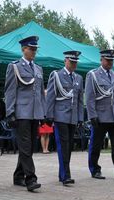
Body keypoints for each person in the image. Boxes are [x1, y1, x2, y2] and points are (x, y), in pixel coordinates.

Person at [4, 36, 45, 192]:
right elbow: (10, 91)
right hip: (21, 113)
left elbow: (41, 93)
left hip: (35, 113)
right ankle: (31, 179)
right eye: (31, 49)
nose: (33, 52)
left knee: (29, 147)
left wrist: (43, 113)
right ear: (23, 49)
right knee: (26, 146)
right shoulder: (14, 67)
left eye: (35, 49)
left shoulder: (38, 68)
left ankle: (18, 175)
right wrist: (10, 113)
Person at [85, 49, 114, 181]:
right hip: (100, 116)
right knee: (96, 144)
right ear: (101, 60)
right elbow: (89, 98)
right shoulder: (93, 75)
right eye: (107, 60)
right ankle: (95, 169)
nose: (110, 62)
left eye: (111, 60)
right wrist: (92, 116)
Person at [46, 50, 84, 186]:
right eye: (71, 62)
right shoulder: (56, 75)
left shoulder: (78, 78)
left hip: (72, 117)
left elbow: (80, 100)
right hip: (60, 116)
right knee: (63, 146)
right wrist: (49, 115)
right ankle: (65, 175)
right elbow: (50, 96)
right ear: (65, 61)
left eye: (75, 62)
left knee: (69, 146)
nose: (74, 64)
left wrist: (80, 118)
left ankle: (63, 173)